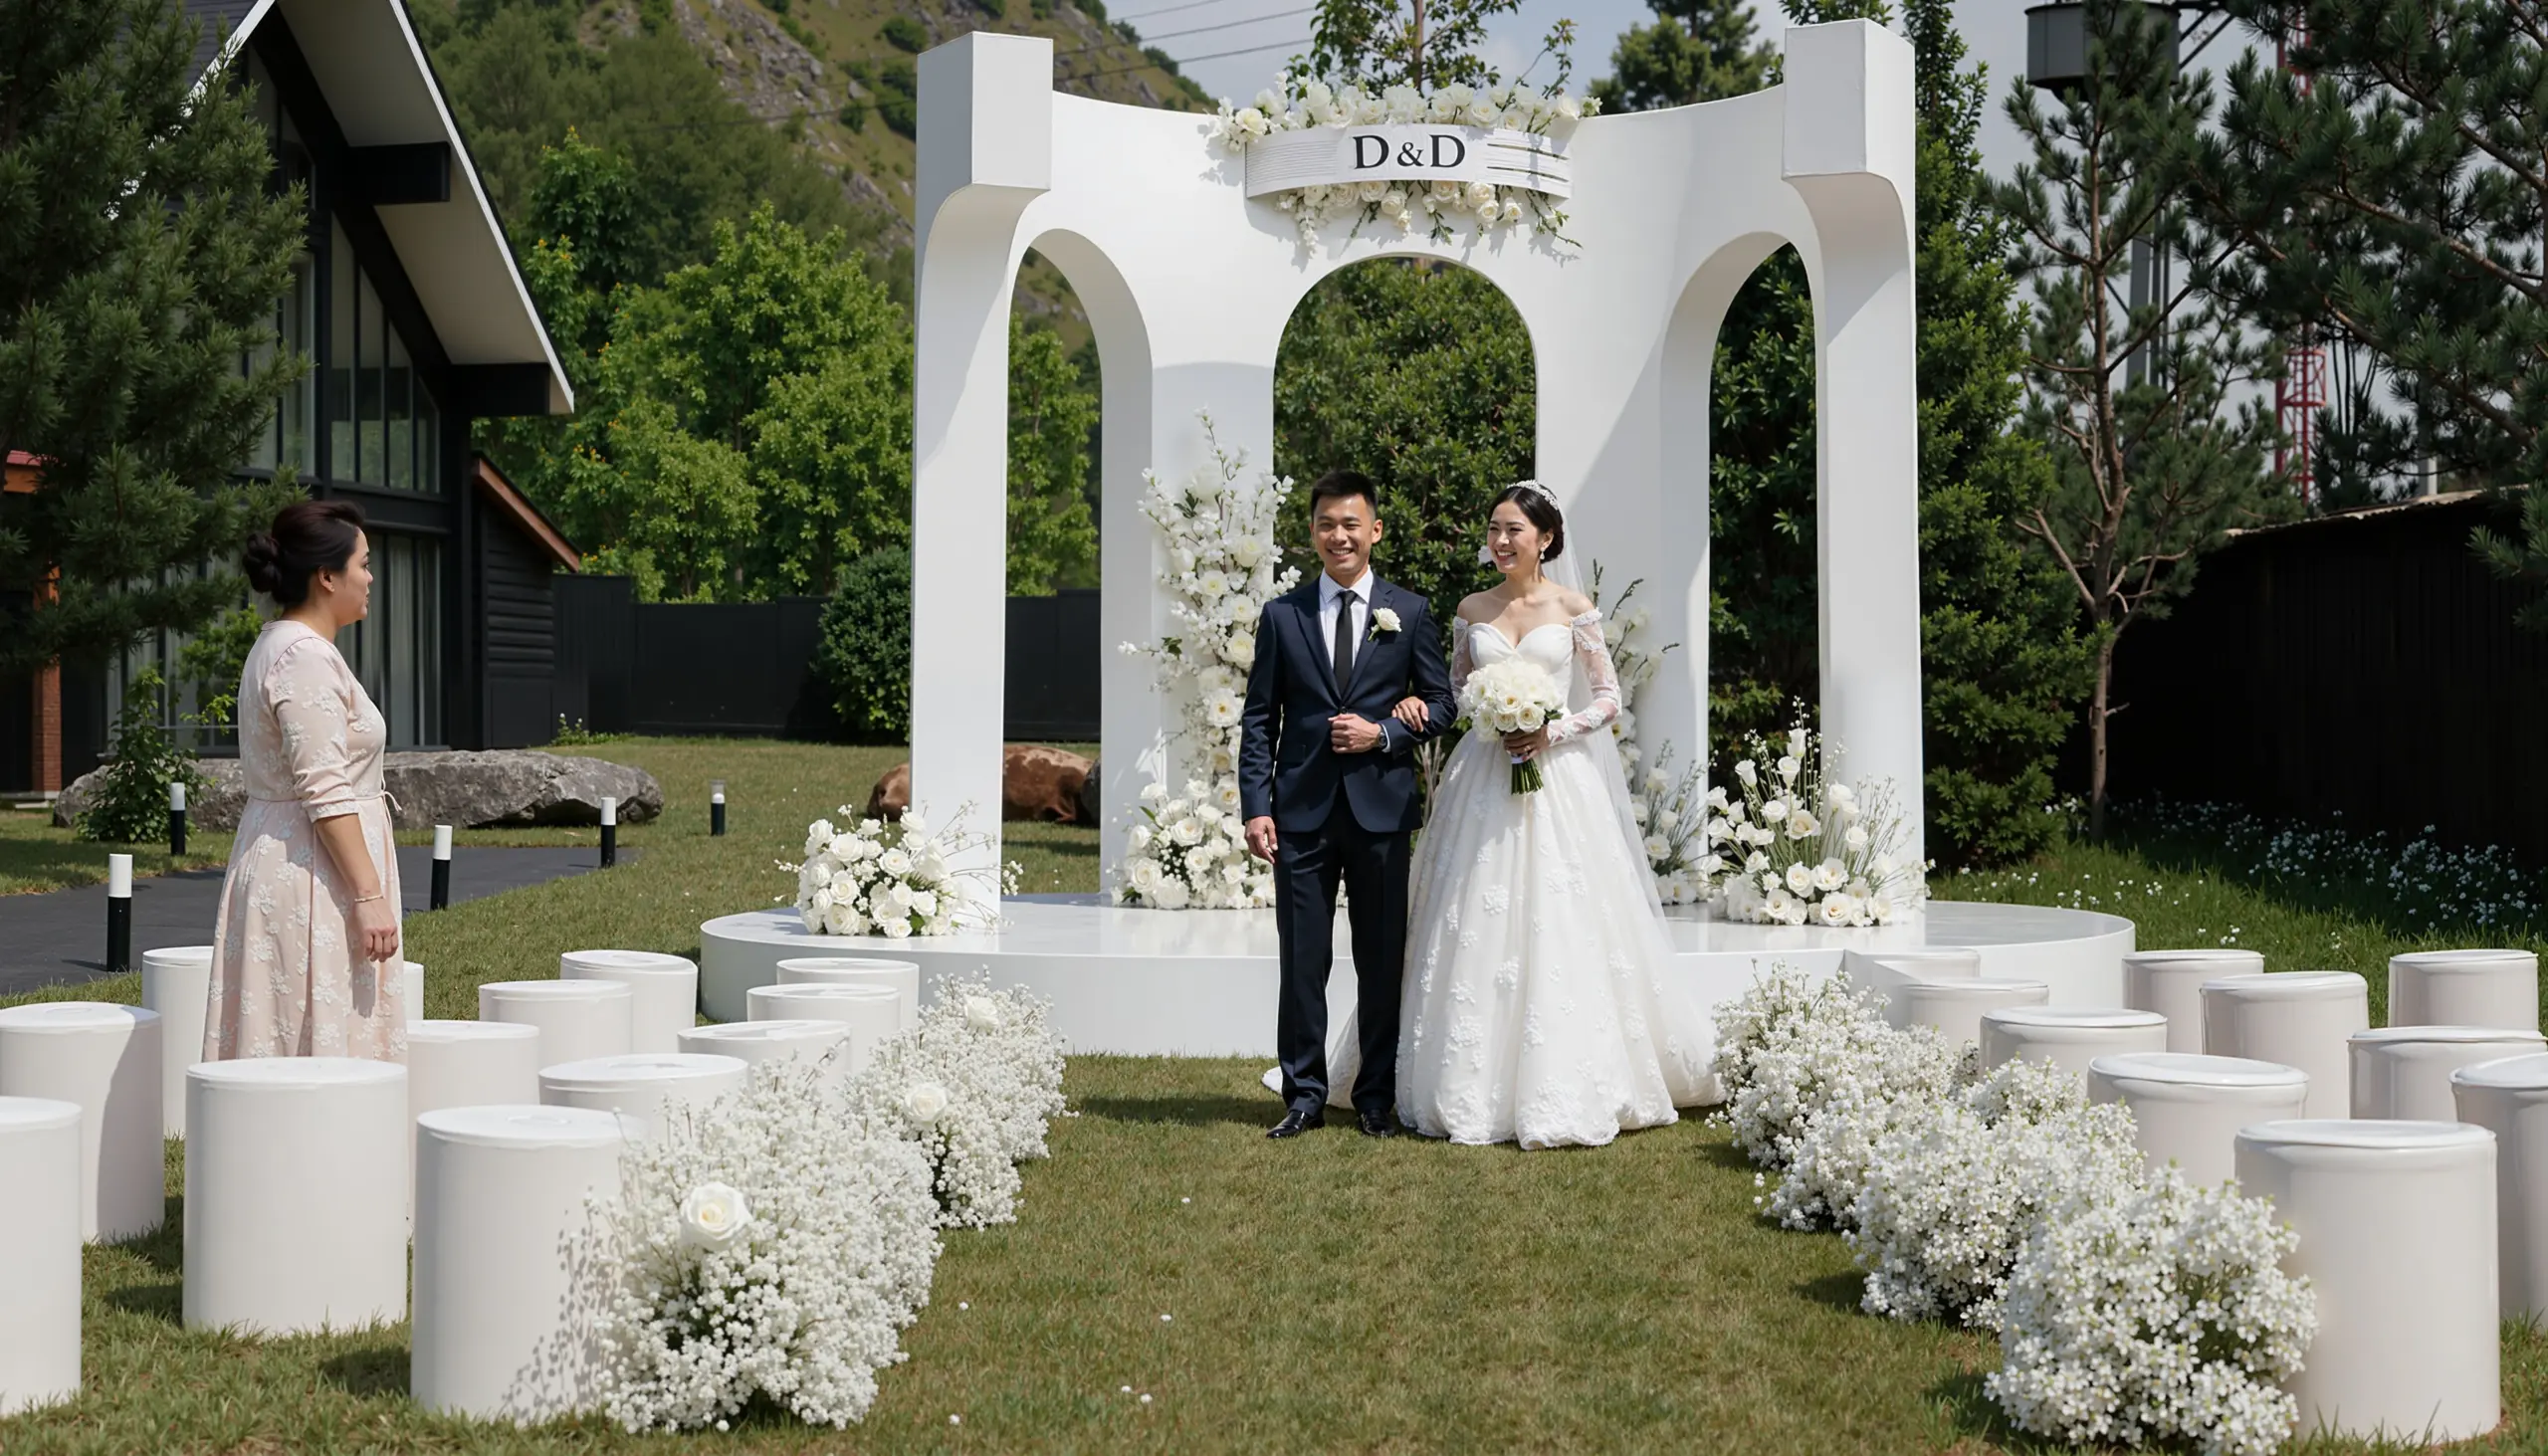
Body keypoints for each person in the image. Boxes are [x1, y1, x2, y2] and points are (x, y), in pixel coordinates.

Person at [1388, 484, 1720, 1146]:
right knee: (1471, 914)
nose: (1501, 540)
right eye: (1493, 528)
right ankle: (1464, 1081)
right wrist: (1480, 711)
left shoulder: (1574, 608)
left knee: (1565, 915)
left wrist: (1551, 729)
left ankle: (1576, 1074)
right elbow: (1454, 690)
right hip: (1481, 776)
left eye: (1514, 528)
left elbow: (1609, 699)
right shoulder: (1471, 608)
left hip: (1557, 780)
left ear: (1545, 537)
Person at [1239, 471, 1456, 1139]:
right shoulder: (1284, 615)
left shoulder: (1410, 612)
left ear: (1375, 531)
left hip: (1381, 813)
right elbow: (1258, 721)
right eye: (1327, 524)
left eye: (1351, 524)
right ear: (1313, 533)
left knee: (1380, 959)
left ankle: (1373, 1098)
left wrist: (1386, 731)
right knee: (1303, 958)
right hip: (1300, 812)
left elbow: (1445, 703)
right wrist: (1256, 806)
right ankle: (1303, 1094)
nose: (1340, 535)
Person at [203, 500, 405, 1062]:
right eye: (363, 564)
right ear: (326, 576)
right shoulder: (303, 658)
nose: (369, 577)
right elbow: (325, 788)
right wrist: (369, 895)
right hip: (311, 870)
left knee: (299, 1023)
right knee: (314, 1028)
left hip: (298, 858)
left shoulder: (283, 647)